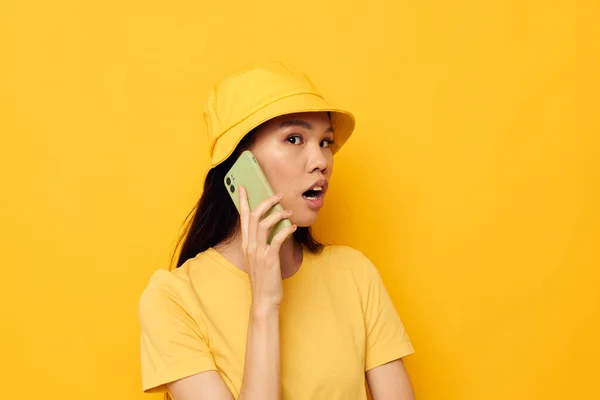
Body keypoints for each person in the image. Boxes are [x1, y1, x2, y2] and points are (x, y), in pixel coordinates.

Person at [138, 62, 416, 400]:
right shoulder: (174, 299)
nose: (321, 160)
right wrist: (265, 305)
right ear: (240, 165)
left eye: (325, 142)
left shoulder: (355, 274)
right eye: (294, 138)